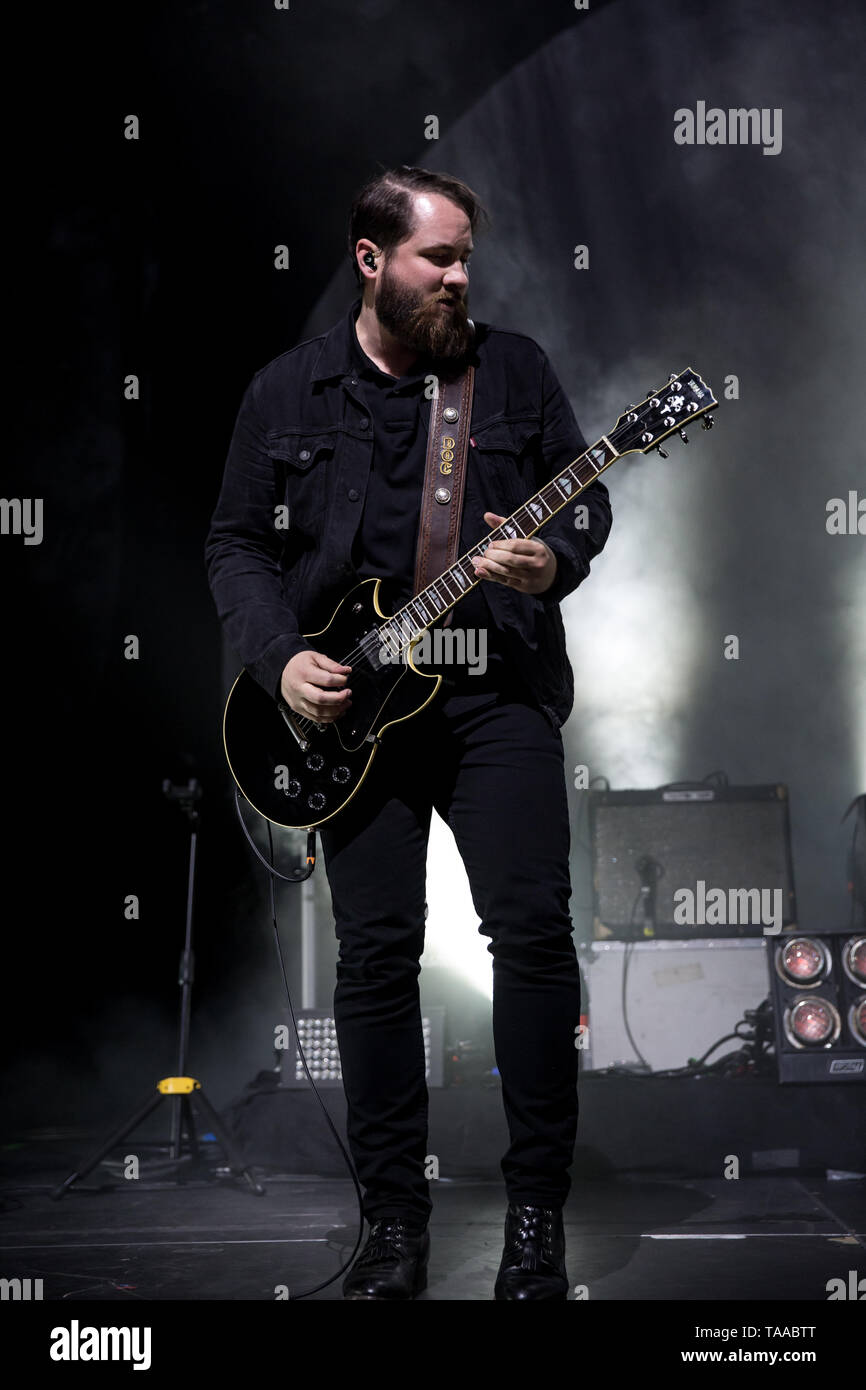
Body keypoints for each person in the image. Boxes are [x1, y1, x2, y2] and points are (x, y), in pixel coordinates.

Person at [205, 165, 613, 1300]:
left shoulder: (511, 371)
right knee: (376, 960)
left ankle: (536, 1217)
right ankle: (393, 1224)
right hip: (353, 714)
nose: (460, 276)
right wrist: (279, 657)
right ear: (371, 259)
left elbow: (584, 501)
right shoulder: (285, 392)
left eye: (466, 256)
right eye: (438, 257)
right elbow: (235, 542)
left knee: (532, 936)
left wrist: (553, 556)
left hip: (493, 693)